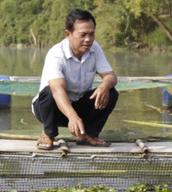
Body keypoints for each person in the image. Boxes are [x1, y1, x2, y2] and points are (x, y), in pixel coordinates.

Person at [32, 9, 118, 150]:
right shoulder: (56, 53)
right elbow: (57, 90)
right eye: (83, 35)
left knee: (112, 92)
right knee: (49, 92)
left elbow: (111, 76)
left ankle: (87, 134)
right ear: (68, 34)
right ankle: (48, 134)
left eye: (91, 34)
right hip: (51, 109)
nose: (88, 39)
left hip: (79, 106)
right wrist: (72, 116)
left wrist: (104, 86)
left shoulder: (95, 49)